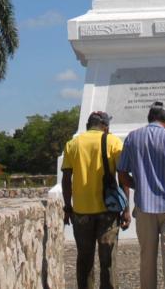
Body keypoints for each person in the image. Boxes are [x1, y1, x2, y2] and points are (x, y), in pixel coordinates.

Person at [117, 103, 165, 289]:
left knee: (147, 257)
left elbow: (121, 174)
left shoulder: (132, 138)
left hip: (144, 207)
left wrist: (139, 185)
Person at [61, 111, 124, 289]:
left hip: (81, 211)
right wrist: (126, 208)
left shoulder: (73, 144)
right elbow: (122, 176)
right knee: (108, 262)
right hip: (108, 210)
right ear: (105, 126)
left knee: (84, 260)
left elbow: (66, 178)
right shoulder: (113, 142)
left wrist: (68, 207)